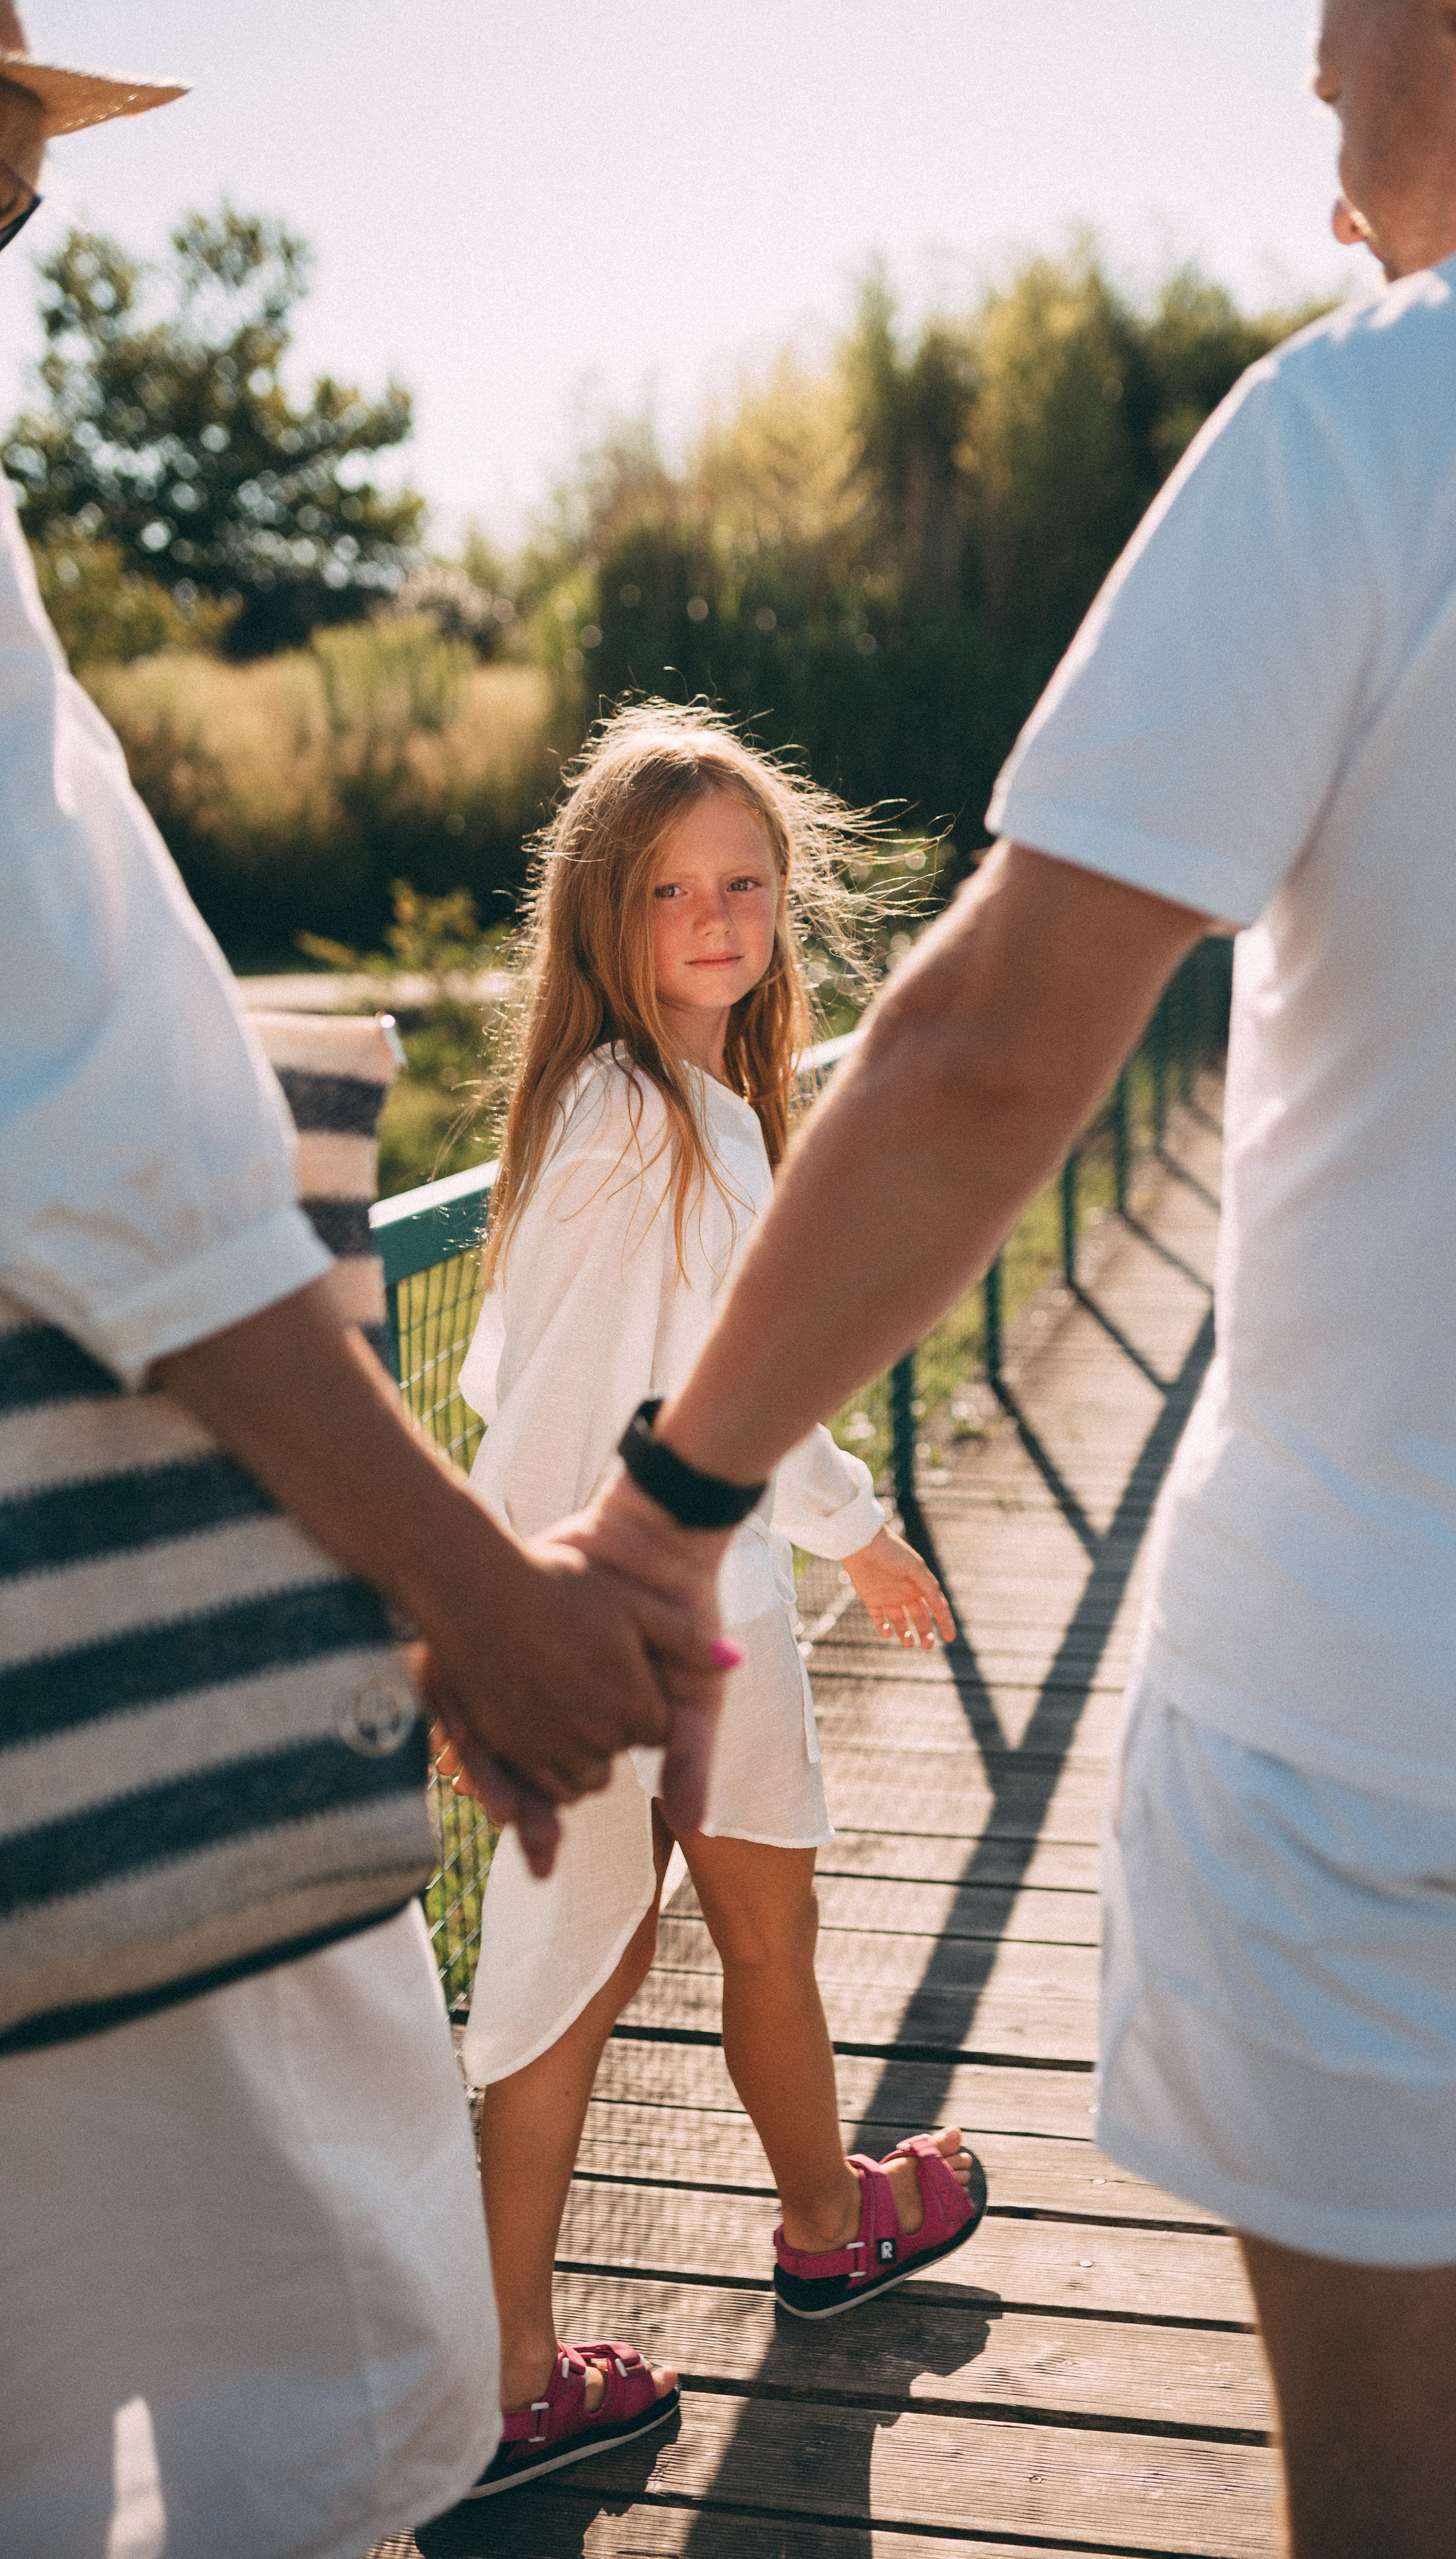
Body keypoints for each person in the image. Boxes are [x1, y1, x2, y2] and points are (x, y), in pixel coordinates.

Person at [556, 6, 1456, 2556]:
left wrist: (669, 1510)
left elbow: (980, 1049)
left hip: (1386, 1684)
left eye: (1339, 106)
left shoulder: (1368, 422)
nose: (1333, 194)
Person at [0, 23, 715, 2554]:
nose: (31, 219)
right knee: (271, 2380)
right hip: (100, 1749)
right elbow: (100, 1147)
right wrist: (464, 1587)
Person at [441, 705, 984, 2496]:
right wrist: (499, 1637)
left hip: (720, 1608)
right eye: (675, 887)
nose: (720, 913)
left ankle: (826, 2222)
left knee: (752, 1935)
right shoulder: (621, 1116)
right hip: (614, 1623)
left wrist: (849, 1525)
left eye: (746, 881)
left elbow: (726, 1386)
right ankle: (515, 2376)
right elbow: (542, 1414)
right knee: (562, 1985)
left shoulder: (709, 1108)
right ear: (608, 913)